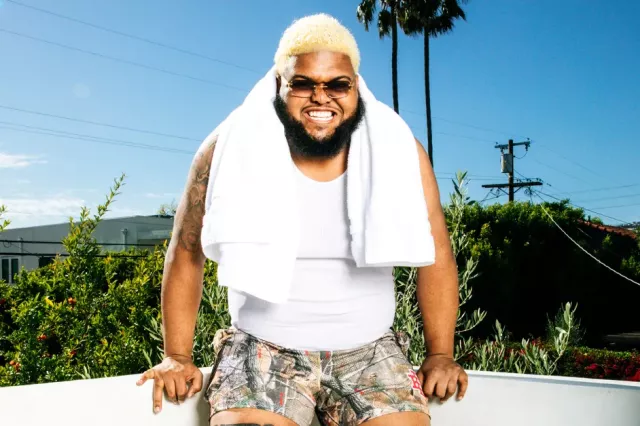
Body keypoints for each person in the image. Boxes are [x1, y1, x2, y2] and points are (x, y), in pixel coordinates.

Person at [137, 13, 468, 426]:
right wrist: (176, 355)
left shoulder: (400, 150)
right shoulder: (226, 147)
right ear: (279, 84)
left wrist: (440, 353)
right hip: (262, 346)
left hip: (369, 349)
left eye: (337, 85)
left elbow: (437, 253)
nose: (320, 98)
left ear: (356, 87)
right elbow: (187, 250)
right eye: (303, 84)